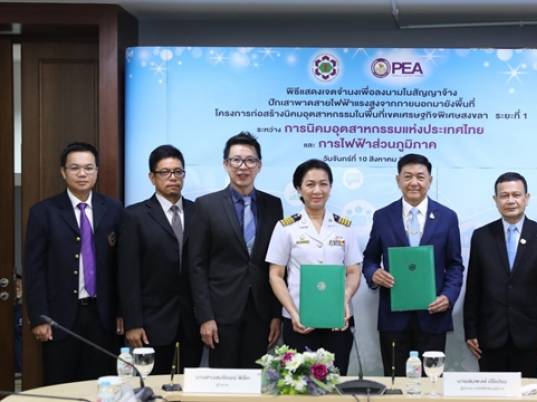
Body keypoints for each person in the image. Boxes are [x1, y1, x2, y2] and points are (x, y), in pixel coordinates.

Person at [24, 142, 123, 384]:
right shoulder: (43, 212)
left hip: (103, 316)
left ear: (97, 171)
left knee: (103, 385)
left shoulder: (113, 209)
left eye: (89, 168)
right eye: (75, 168)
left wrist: (123, 313)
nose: (82, 174)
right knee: (61, 383)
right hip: (59, 318)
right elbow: (34, 270)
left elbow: (121, 267)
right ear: (63, 172)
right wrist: (39, 317)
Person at [362, 153, 464, 376]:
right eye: (407, 176)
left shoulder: (447, 217)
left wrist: (448, 297)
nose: (414, 182)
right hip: (393, 318)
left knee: (431, 383)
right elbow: (369, 259)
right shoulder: (383, 216)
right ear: (398, 180)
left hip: (433, 316)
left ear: (430, 180)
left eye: (420, 176)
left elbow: (455, 265)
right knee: (395, 381)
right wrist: (374, 274)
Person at [189, 132, 283, 368]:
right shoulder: (206, 205)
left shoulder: (273, 205)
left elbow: (277, 263)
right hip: (221, 312)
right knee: (223, 380)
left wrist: (276, 314)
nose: (243, 167)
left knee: (256, 379)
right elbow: (197, 266)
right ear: (225, 164)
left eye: (250, 160)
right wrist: (205, 317)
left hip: (260, 311)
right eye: (236, 160)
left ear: (259, 166)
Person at [266, 159, 362, 374]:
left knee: (336, 379)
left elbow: (354, 271)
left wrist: (345, 299)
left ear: (330, 187)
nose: (317, 190)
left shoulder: (344, 227)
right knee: (300, 383)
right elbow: (276, 274)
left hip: (338, 319)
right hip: (299, 319)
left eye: (323, 184)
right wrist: (293, 312)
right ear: (299, 189)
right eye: (310, 184)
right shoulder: (286, 228)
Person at [463, 172, 537, 378]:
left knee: (527, 392)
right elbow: (473, 288)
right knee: (492, 392)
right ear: (495, 199)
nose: (510, 200)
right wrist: (470, 331)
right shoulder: (481, 236)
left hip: (531, 338)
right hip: (490, 336)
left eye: (516, 195)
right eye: (504, 195)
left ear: (527, 198)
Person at [118, 145, 201, 374]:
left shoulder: (198, 212)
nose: (173, 177)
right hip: (151, 322)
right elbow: (128, 275)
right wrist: (133, 323)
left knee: (189, 385)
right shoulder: (134, 216)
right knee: (152, 385)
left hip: (192, 322)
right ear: (152, 177)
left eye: (178, 171)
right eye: (165, 172)